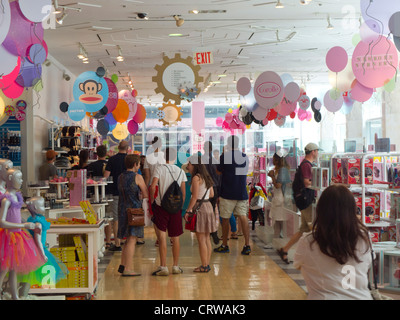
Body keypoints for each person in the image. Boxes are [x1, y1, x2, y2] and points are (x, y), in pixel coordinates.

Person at [293, 185, 373, 300]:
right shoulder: (364, 238)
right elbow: (366, 267)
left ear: (321, 210)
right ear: (352, 210)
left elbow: (300, 265)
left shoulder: (308, 242)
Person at [277, 142, 319, 264]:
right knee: (314, 230)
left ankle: (285, 250)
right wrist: (318, 185)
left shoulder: (306, 164)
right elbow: (306, 183)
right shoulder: (306, 165)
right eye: (317, 151)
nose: (317, 153)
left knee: (303, 230)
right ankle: (312, 258)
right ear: (313, 152)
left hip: (304, 200)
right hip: (306, 201)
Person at [149, 147, 187, 276]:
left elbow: (153, 186)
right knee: (175, 237)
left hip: (161, 206)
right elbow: (183, 192)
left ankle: (163, 266)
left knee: (162, 237)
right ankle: (175, 266)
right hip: (175, 209)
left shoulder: (159, 169)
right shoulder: (180, 171)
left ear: (164, 157)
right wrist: (179, 206)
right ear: (175, 157)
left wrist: (153, 200)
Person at [215, 135, 251, 255]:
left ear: (228, 144)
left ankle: (225, 244)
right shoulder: (244, 157)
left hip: (227, 192)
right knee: (243, 217)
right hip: (241, 191)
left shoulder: (225, 156)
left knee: (225, 219)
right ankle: (247, 245)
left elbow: (218, 172)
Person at [117, 155, 149, 276]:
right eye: (139, 164)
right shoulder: (138, 177)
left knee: (126, 240)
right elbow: (145, 194)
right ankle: (128, 269)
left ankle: (123, 265)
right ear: (135, 164)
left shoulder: (120, 177)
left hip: (122, 209)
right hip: (134, 211)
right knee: (132, 239)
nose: (139, 166)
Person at [184, 155, 217, 273]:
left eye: (189, 164)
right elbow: (212, 194)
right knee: (207, 238)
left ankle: (204, 265)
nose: (187, 166)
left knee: (201, 239)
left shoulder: (196, 178)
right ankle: (206, 264)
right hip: (208, 206)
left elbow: (194, 197)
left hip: (200, 207)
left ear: (194, 165)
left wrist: (188, 210)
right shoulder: (207, 177)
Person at [104, 141, 129, 252]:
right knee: (126, 217)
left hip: (114, 191)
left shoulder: (112, 159)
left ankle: (117, 243)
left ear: (118, 147)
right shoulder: (129, 159)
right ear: (127, 148)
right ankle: (127, 240)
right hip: (128, 192)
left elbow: (106, 175)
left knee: (116, 218)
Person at [268, 150, 291, 238]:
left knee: (279, 221)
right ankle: (276, 241)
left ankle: (276, 241)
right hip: (278, 197)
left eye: (274, 159)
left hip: (281, 198)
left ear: (277, 160)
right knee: (277, 221)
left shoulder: (282, 170)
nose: (272, 161)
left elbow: (278, 185)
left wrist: (272, 176)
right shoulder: (280, 170)